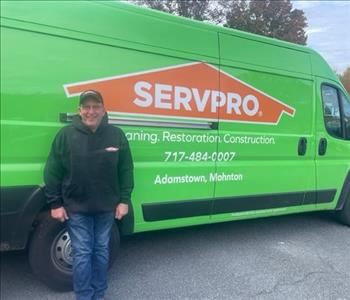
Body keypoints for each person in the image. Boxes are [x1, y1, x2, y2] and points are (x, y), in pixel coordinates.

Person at [44, 90, 134, 300]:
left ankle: (99, 294)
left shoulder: (116, 134)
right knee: (83, 253)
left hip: (107, 207)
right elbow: (52, 171)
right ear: (79, 110)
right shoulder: (65, 135)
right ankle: (84, 296)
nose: (91, 111)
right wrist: (55, 203)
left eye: (96, 107)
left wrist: (124, 200)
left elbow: (126, 170)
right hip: (76, 207)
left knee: (101, 250)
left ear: (104, 110)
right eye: (86, 107)